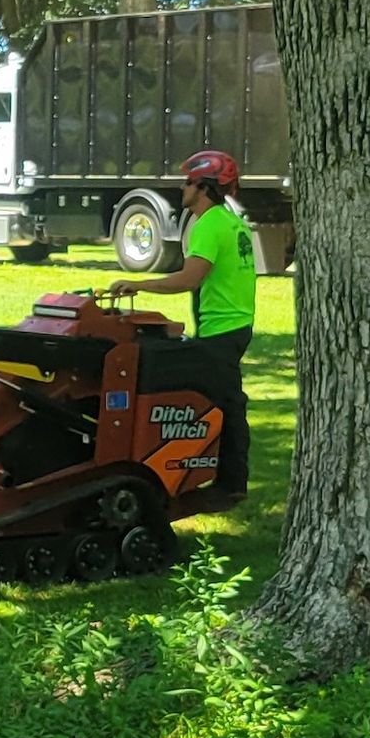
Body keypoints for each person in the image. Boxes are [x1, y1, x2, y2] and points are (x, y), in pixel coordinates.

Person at [114, 149, 256, 509]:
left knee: (222, 403)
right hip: (236, 323)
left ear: (205, 188)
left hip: (222, 328)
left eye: (189, 182)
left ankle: (227, 484)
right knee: (227, 400)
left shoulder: (209, 224)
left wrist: (139, 285)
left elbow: (191, 278)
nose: (183, 187)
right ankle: (225, 479)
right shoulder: (231, 222)